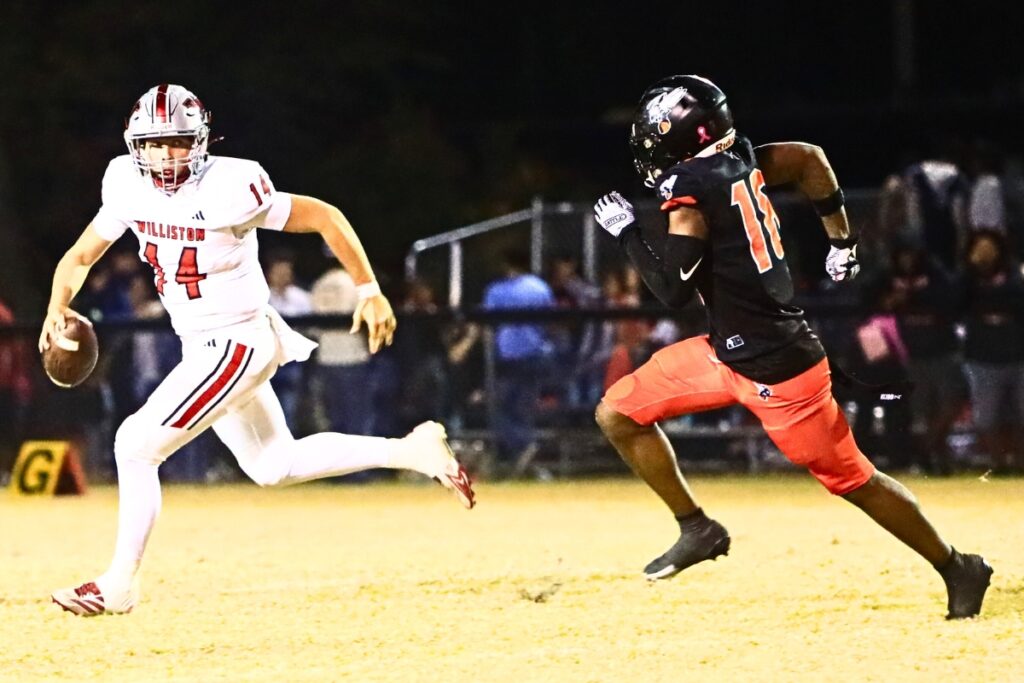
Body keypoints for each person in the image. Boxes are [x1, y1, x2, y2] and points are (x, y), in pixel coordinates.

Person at [40, 84, 475, 617]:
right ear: (136, 145)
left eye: (178, 142)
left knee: (134, 445)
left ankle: (118, 584)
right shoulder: (125, 182)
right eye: (154, 144)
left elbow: (325, 217)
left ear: (200, 141)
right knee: (272, 464)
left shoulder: (231, 184)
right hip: (202, 343)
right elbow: (83, 254)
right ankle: (411, 451)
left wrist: (369, 288)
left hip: (237, 340)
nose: (166, 155)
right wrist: (56, 304)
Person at [591, 75, 991, 619]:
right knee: (618, 413)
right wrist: (841, 239)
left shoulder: (690, 189)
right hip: (726, 352)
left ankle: (956, 566)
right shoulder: (743, 160)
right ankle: (697, 527)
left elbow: (672, 290)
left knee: (856, 481)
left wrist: (625, 233)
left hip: (780, 374)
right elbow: (809, 159)